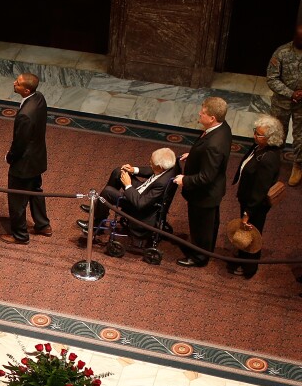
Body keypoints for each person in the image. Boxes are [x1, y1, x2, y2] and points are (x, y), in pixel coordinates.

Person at [174, 97, 232, 268]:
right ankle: (206, 250)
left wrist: (184, 180)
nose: (200, 113)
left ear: (213, 117)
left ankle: (199, 258)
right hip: (212, 191)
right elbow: (210, 158)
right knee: (210, 224)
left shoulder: (214, 145)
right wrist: (194, 155)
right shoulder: (223, 128)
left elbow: (206, 177)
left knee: (201, 227)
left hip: (204, 194)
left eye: (204, 112)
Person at [76, 148, 179, 240]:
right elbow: (152, 170)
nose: (149, 163)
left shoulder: (162, 183)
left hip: (140, 205)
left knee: (108, 192)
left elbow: (141, 204)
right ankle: (100, 207)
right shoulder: (171, 166)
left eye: (151, 162)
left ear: (160, 167)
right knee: (118, 172)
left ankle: (95, 225)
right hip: (143, 190)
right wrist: (133, 170)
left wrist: (128, 185)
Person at [228, 115, 282, 278]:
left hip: (255, 205)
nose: (254, 136)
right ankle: (243, 256)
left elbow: (260, 190)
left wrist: (247, 213)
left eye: (259, 134)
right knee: (245, 233)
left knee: (252, 234)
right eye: (255, 132)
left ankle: (249, 267)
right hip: (248, 198)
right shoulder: (259, 146)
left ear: (270, 138)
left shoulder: (268, 158)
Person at [1, 73, 51, 245]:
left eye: (18, 83)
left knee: (17, 199)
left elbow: (20, 143)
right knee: (35, 191)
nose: (14, 83)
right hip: (37, 158)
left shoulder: (25, 115)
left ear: (27, 90)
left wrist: (9, 157)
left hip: (23, 164)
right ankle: (43, 225)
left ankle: (20, 235)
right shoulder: (39, 98)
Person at [267, 24, 302, 186]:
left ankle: (298, 165)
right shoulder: (282, 53)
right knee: (277, 134)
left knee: (301, 137)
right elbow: (272, 79)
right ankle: (273, 163)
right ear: (295, 38)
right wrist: (291, 93)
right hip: (282, 103)